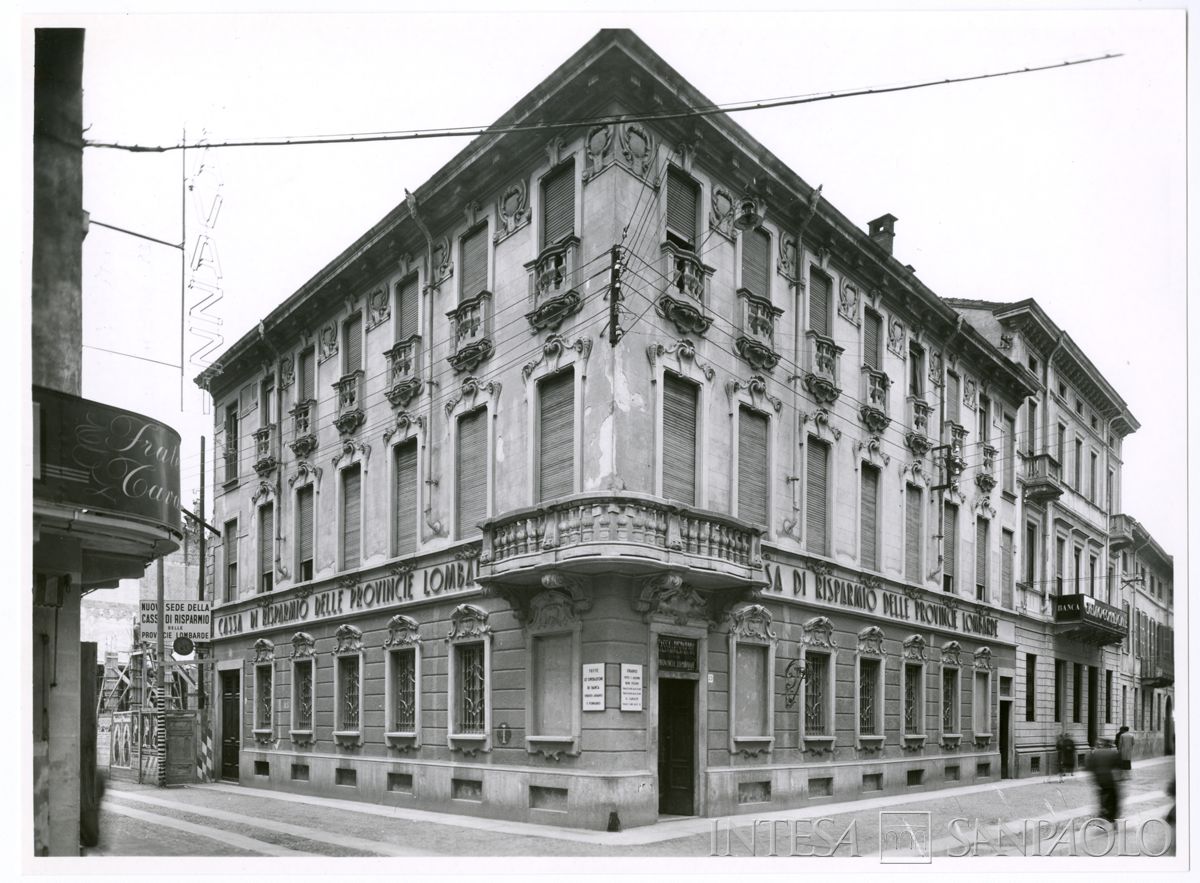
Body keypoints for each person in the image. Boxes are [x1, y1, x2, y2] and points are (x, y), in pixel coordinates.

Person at [1086, 738, 1121, 825]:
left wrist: (1093, 779)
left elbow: (1089, 767)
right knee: (1113, 798)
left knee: (1102, 796)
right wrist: (1120, 780)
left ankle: (1102, 812)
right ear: (1109, 745)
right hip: (1110, 780)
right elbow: (1119, 768)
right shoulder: (1114, 753)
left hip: (1099, 780)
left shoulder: (1094, 753)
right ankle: (1111, 817)